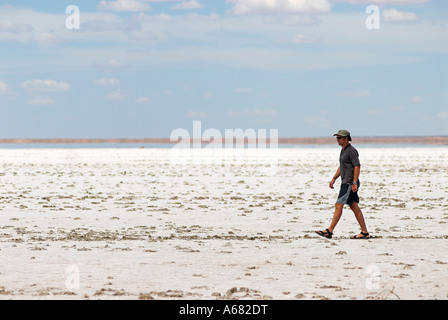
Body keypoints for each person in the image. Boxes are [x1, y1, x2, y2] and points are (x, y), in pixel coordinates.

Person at [316, 130, 370, 239]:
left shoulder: (351, 151)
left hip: (349, 183)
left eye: (340, 138)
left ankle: (329, 231)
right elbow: (342, 166)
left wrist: (354, 182)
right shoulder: (343, 150)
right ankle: (364, 232)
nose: (338, 140)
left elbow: (357, 166)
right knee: (354, 206)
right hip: (345, 182)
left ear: (346, 138)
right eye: (337, 137)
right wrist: (334, 178)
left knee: (338, 205)